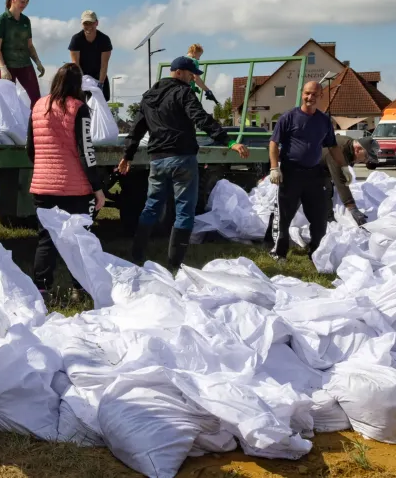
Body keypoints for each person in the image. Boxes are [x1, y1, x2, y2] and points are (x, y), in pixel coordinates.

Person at [118, 56, 249, 269]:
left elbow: (137, 128)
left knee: (151, 207)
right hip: (182, 159)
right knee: (184, 211)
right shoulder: (183, 92)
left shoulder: (149, 96)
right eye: (190, 75)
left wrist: (127, 155)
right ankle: (174, 265)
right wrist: (229, 141)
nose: (192, 79)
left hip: (158, 160)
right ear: (178, 72)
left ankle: (137, 256)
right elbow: (201, 118)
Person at [26, 63, 106, 301]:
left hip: (42, 185)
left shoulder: (38, 106)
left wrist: (43, 168)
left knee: (46, 238)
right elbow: (86, 152)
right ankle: (78, 289)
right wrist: (97, 188)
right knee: (79, 238)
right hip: (75, 188)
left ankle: (41, 289)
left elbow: (31, 148)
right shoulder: (79, 108)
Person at [267, 81, 349, 260]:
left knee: (319, 219)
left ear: (320, 96)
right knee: (285, 217)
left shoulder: (323, 121)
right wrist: (274, 168)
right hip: (290, 174)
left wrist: (343, 167)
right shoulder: (288, 117)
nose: (309, 97)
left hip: (314, 175)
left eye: (314, 94)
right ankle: (280, 253)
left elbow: (333, 146)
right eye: (306, 93)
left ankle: (315, 253)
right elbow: (274, 143)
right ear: (302, 93)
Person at [0, 0, 45, 104]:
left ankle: (33, 122)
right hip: (7, 65)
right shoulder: (1, 20)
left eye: (26, 2)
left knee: (36, 98)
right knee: (7, 101)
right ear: (13, 0)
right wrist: (3, 68)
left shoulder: (26, 21)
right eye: (22, 1)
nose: (24, 5)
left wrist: (38, 62)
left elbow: (30, 45)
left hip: (24, 63)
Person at [323, 134, 380, 225]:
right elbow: (340, 182)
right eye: (366, 156)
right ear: (358, 149)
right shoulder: (339, 150)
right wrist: (352, 208)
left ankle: (328, 220)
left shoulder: (351, 147)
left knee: (328, 190)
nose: (366, 161)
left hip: (322, 170)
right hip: (303, 168)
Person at [68, 10, 114, 100]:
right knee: (79, 102)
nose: (89, 26)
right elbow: (75, 64)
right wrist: (82, 82)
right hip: (81, 76)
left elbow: (104, 65)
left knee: (100, 101)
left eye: (91, 23)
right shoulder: (76, 39)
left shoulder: (104, 40)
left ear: (96, 23)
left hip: (99, 76)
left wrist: (100, 84)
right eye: (86, 23)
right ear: (82, 24)